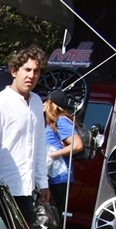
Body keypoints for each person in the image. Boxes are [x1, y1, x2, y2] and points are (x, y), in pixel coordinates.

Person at [0, 45, 50, 222]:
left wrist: (43, 183)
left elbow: (40, 145)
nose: (31, 76)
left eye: (36, 71)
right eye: (27, 70)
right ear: (14, 71)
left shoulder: (37, 102)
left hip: (26, 190)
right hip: (0, 190)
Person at [43, 88, 83, 218]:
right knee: (48, 215)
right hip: (52, 176)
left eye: (46, 102)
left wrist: (52, 154)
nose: (43, 105)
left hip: (60, 177)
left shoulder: (61, 121)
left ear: (51, 104)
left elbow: (77, 145)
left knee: (53, 217)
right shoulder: (51, 122)